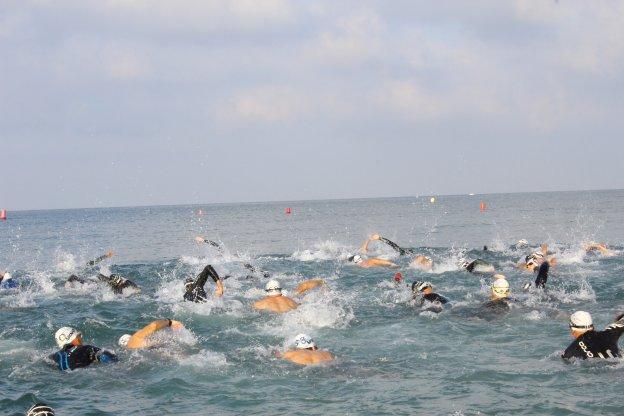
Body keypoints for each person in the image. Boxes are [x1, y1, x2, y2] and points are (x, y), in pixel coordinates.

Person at [195, 236, 270, 278]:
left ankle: (260, 274)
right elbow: (216, 245)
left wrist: (204, 240)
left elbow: (216, 245)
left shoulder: (223, 257)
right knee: (251, 269)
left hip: (235, 266)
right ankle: (263, 274)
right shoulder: (226, 256)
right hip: (240, 263)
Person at [49, 327, 117, 371]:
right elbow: (105, 357)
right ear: (75, 338)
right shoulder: (86, 348)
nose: (81, 338)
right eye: (79, 336)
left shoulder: (55, 355)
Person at [118, 319, 184, 349]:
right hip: (165, 347)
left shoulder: (129, 349)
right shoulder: (134, 340)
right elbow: (153, 326)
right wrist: (170, 322)